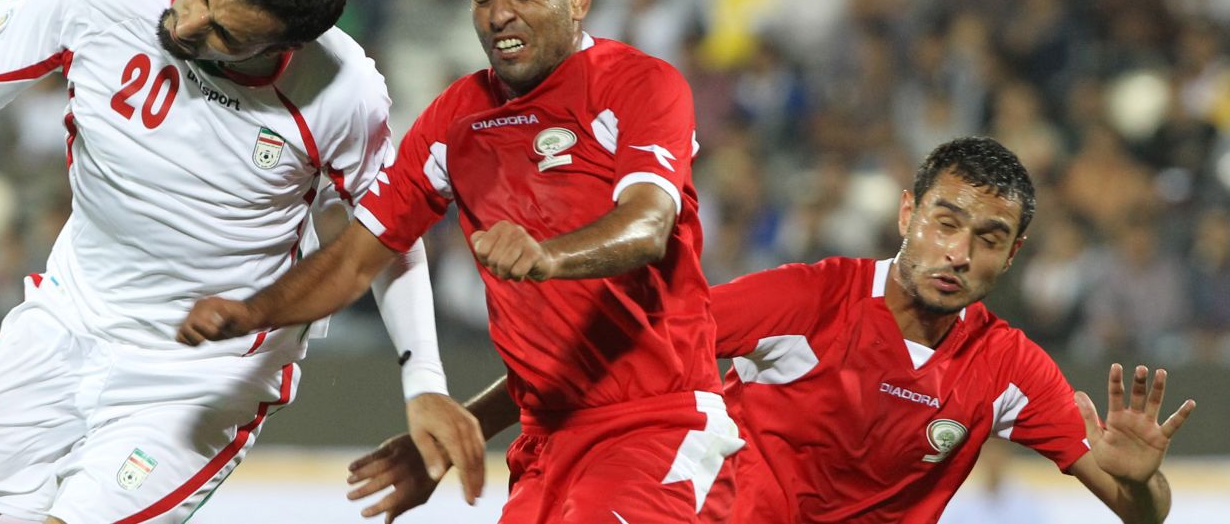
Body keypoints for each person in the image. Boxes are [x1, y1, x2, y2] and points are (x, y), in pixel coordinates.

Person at [0, 0, 483, 524]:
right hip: (60, 325)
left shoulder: (342, 93)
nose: (189, 24)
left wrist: (423, 380)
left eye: (226, 36)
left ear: (288, 48)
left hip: (198, 378)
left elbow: (384, 240)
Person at [178, 0, 743, 524]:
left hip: (657, 430)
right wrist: (253, 312)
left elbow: (648, 224)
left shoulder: (638, 84)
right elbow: (358, 259)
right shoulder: (458, 118)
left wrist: (549, 254)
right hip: (545, 449)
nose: (499, 15)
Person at [348, 137, 1196, 524]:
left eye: (987, 238)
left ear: (1011, 255)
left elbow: (1139, 512)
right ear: (907, 213)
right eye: (944, 221)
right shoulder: (812, 297)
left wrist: (1145, 484)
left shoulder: (1007, 367)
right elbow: (615, 360)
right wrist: (457, 429)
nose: (956, 253)